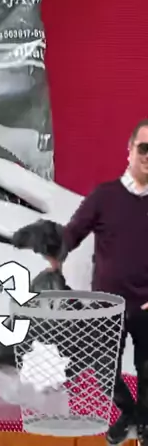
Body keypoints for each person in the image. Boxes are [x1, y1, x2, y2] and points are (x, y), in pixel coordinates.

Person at [49, 120, 148, 445]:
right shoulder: (104, 197)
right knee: (105, 370)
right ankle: (130, 414)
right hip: (107, 306)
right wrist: (55, 254)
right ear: (129, 150)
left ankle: (144, 422)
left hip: (146, 306)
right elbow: (73, 232)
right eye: (144, 148)